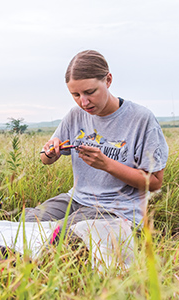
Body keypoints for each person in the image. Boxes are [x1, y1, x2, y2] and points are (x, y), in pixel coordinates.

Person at [25, 50, 169, 231]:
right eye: (76, 95)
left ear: (108, 80)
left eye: (90, 92)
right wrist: (50, 153)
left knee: (59, 234)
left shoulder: (141, 119)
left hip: (117, 210)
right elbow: (44, 159)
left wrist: (106, 164)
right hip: (76, 199)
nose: (83, 102)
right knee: (26, 223)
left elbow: (155, 182)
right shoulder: (75, 115)